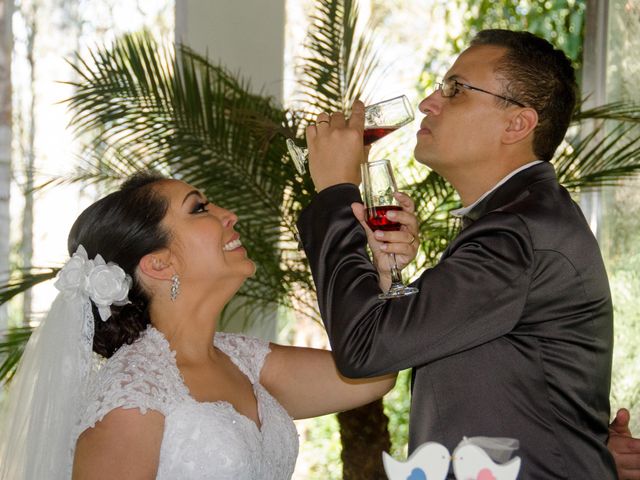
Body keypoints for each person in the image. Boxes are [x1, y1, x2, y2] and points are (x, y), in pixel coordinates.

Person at [297, 29, 633, 478]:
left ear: (517, 125)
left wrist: (336, 194)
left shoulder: (516, 233)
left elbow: (365, 347)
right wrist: (388, 273)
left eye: (455, 90)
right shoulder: (516, 220)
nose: (428, 103)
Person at [0, 171, 421, 479]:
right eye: (200, 208)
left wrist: (388, 276)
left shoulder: (244, 360)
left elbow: (375, 371)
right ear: (160, 264)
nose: (229, 215)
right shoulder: (131, 397)